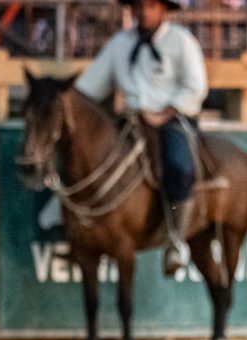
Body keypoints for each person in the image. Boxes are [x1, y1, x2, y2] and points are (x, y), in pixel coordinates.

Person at [76, 0, 206, 276]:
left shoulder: (181, 41)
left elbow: (196, 86)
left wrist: (165, 112)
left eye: (150, 6)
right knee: (89, 159)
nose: (143, 12)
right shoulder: (120, 43)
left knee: (178, 165)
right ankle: (78, 233)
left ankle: (176, 240)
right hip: (131, 119)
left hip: (173, 118)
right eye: (138, 6)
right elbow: (90, 87)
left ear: (163, 9)